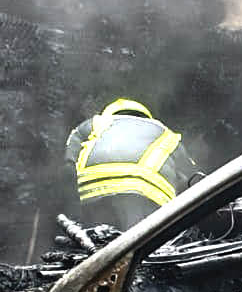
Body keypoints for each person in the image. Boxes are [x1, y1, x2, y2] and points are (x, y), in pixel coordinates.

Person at [65, 98, 202, 231]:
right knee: (142, 239)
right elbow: (193, 179)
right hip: (148, 190)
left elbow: (69, 164)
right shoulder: (166, 133)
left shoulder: (94, 123)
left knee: (99, 236)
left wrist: (73, 206)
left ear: (109, 113)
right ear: (147, 117)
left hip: (93, 186)